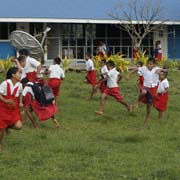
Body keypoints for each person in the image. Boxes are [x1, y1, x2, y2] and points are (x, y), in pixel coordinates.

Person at [127, 57, 162, 123]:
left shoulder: (156, 69)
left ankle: (148, 116)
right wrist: (129, 74)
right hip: (145, 86)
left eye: (151, 64)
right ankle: (137, 102)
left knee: (149, 105)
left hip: (153, 89)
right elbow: (136, 69)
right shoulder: (144, 68)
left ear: (154, 65)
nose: (149, 65)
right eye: (148, 64)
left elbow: (161, 71)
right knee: (143, 92)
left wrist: (161, 71)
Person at [0, 67, 23, 150]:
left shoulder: (20, 85)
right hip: (3, 107)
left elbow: (20, 93)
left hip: (14, 109)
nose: (20, 75)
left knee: (19, 126)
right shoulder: (5, 83)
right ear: (13, 75)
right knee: (1, 127)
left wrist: (20, 102)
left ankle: (7, 127)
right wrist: (6, 101)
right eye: (19, 73)